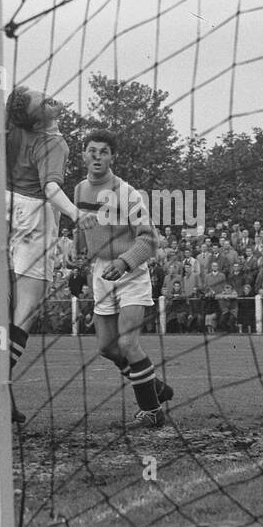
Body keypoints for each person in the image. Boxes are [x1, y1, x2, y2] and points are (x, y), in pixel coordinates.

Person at [5, 87, 95, 423]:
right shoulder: (54, 143)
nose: (50, 98)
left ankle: (3, 390)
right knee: (26, 307)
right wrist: (75, 212)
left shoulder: (14, 128)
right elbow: (51, 188)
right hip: (33, 215)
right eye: (43, 101)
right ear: (39, 119)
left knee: (6, 306)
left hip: (3, 208)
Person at [73, 129, 172, 426]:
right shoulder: (79, 191)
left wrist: (125, 262)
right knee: (107, 347)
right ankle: (155, 388)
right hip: (101, 275)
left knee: (128, 343)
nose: (97, 156)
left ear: (112, 157)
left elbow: (150, 240)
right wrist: (77, 254)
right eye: (92, 150)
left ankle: (152, 411)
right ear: (84, 156)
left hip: (131, 274)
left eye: (104, 151)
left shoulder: (127, 193)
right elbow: (82, 229)